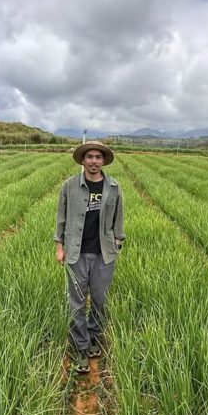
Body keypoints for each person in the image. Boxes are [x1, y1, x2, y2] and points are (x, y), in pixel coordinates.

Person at [54, 141, 125, 373]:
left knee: (100, 300)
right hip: (76, 252)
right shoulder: (70, 186)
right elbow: (61, 217)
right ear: (83, 160)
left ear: (103, 161)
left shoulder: (114, 187)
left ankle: (93, 336)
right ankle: (81, 346)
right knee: (76, 301)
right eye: (89, 157)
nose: (94, 161)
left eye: (98, 157)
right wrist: (59, 245)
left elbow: (118, 217)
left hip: (104, 253)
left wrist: (118, 241)